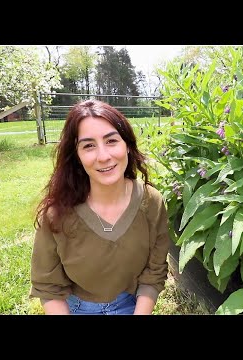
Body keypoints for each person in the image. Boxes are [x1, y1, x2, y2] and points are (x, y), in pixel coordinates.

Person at [29, 99, 170, 315]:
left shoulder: (151, 202)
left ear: (128, 146)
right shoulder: (57, 214)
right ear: (76, 156)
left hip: (132, 306)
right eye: (89, 146)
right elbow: (47, 286)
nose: (104, 156)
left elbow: (154, 271)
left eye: (111, 141)